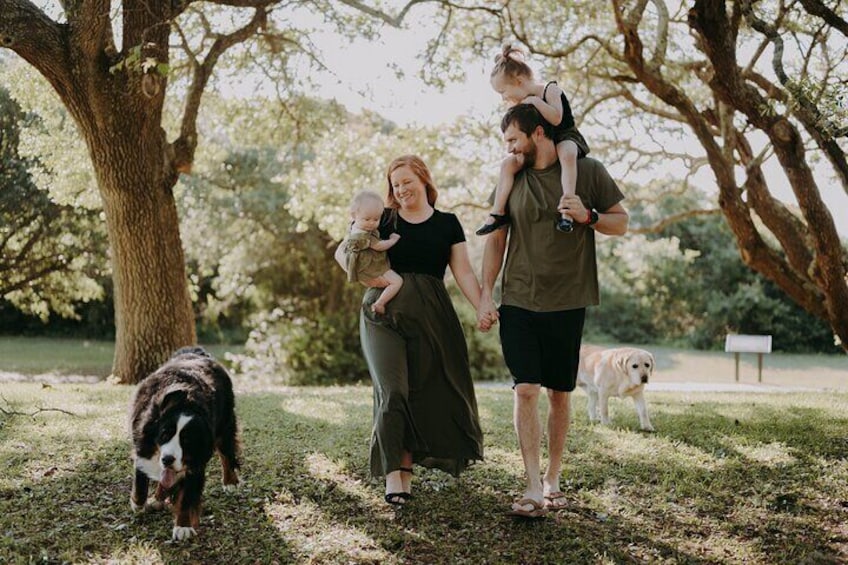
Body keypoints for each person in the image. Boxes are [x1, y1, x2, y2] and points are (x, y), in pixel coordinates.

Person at [477, 104, 628, 518]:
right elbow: (496, 239)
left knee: (559, 394)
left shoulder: (586, 170)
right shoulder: (511, 177)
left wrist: (589, 215)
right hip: (519, 298)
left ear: (538, 133)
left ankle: (552, 478)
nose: (509, 149)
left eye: (513, 139)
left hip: (567, 299)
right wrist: (486, 295)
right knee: (525, 388)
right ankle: (529, 484)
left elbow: (621, 221)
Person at [335, 155, 488, 506]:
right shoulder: (383, 220)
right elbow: (344, 252)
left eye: (406, 181)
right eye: (394, 184)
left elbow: (463, 271)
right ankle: (394, 475)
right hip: (383, 313)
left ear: (423, 179)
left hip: (431, 317)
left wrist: (482, 304)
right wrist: (368, 279)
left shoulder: (448, 223)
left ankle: (407, 467)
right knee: (393, 391)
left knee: (421, 391)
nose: (400, 189)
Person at [476, 43, 591, 236]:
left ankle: (567, 208)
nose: (504, 98)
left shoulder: (550, 90)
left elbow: (556, 118)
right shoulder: (521, 101)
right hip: (542, 144)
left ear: (519, 81)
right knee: (507, 164)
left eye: (503, 91)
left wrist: (535, 102)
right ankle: (497, 213)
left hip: (565, 135)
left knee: (567, 153)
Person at [340, 190, 404, 314]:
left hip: (363, 266)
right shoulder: (363, 236)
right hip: (371, 266)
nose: (371, 223)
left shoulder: (353, 228)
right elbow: (380, 246)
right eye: (367, 219)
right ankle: (380, 303)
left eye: (376, 219)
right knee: (397, 281)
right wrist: (392, 240)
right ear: (354, 215)